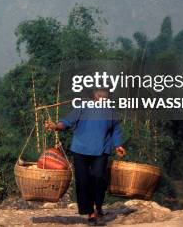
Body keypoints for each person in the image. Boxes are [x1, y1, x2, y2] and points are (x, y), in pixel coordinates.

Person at [45, 88, 125, 225]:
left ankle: (98, 204)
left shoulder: (112, 112)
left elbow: (116, 131)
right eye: (99, 95)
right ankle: (90, 213)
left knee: (98, 177)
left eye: (105, 96)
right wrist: (55, 126)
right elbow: (66, 122)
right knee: (83, 181)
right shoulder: (82, 108)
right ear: (94, 97)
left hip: (101, 150)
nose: (102, 98)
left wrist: (118, 145)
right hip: (80, 149)